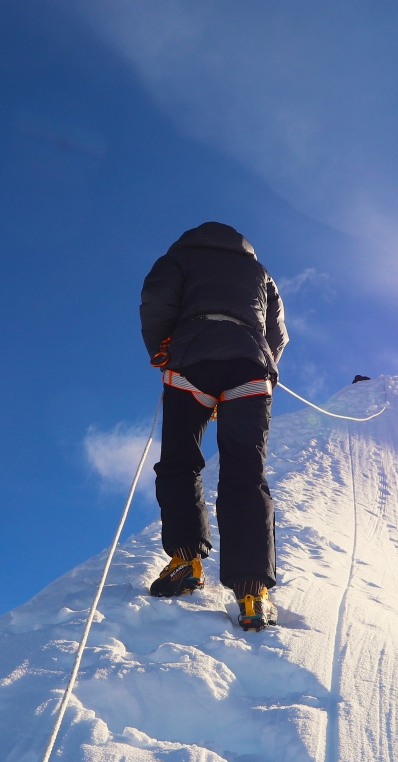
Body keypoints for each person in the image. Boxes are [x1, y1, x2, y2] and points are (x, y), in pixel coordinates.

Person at [139, 222, 287, 630]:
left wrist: (161, 349)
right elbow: (278, 332)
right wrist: (264, 364)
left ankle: (186, 561)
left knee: (180, 460)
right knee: (246, 469)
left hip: (192, 361)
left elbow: (155, 300)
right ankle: (252, 591)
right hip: (250, 365)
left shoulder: (179, 257)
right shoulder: (260, 274)